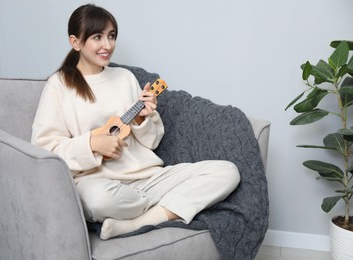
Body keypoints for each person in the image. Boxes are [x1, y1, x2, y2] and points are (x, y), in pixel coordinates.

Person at [31, 3, 240, 240]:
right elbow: (43, 149)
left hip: (148, 178)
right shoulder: (59, 85)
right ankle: (171, 206)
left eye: (111, 36)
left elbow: (152, 142)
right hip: (99, 184)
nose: (107, 46)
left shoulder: (124, 78)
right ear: (75, 42)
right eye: (97, 37)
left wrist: (143, 118)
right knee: (96, 201)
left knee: (227, 172)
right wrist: (91, 144)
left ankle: (138, 222)